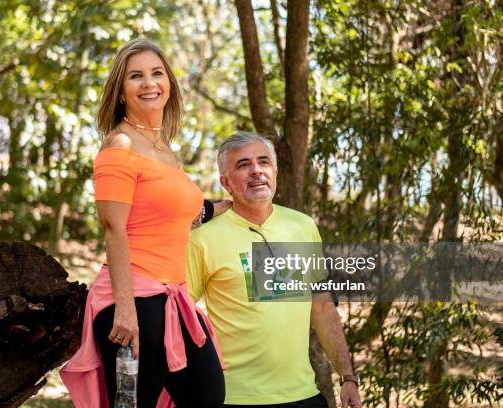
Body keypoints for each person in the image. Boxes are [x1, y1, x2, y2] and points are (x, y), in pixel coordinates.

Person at [60, 39, 227, 408]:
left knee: (208, 395)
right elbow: (113, 227)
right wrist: (124, 308)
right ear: (121, 92)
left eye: (156, 73)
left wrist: (224, 207)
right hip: (133, 299)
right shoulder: (119, 144)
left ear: (169, 83)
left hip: (173, 297)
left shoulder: (164, 149)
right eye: (136, 76)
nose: (149, 83)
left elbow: (179, 215)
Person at [187, 132, 362, 408]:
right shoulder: (202, 239)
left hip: (304, 396)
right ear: (226, 182)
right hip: (233, 398)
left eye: (263, 161)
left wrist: (348, 376)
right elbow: (180, 315)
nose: (256, 170)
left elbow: (323, 307)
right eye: (243, 165)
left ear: (275, 171)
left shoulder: (303, 227)